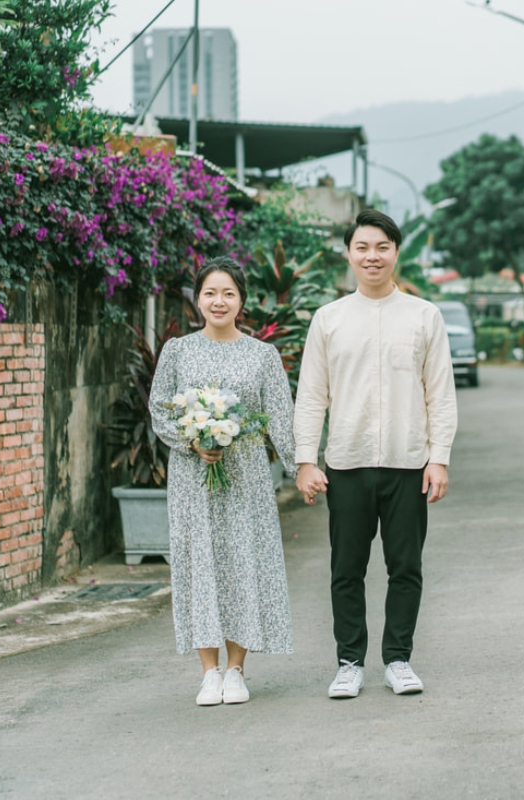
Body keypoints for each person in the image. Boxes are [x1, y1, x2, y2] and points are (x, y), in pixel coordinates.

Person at [293, 208, 458, 699]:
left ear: (395, 252)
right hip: (346, 463)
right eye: (362, 247)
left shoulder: (424, 315)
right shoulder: (329, 319)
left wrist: (439, 457)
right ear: (349, 254)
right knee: (347, 569)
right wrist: (306, 459)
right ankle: (349, 662)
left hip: (409, 465)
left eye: (382, 247)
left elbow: (440, 394)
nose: (372, 256)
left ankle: (398, 659)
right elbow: (312, 395)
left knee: (405, 567)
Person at [149, 256, 297, 707]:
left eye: (228, 293)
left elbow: (281, 418)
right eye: (210, 293)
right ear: (198, 299)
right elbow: (160, 409)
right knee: (199, 566)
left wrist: (303, 469)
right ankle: (208, 672)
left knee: (242, 563)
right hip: (193, 479)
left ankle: (236, 670)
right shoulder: (177, 351)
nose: (218, 301)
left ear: (241, 302)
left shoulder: (262, 355)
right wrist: (191, 440)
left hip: (246, 478)